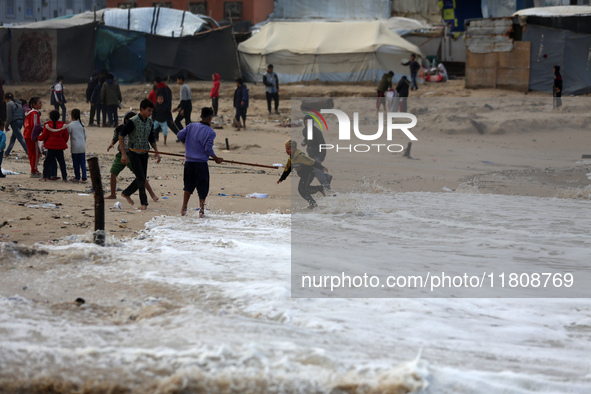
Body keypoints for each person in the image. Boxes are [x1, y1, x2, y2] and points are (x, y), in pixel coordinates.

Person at [177, 107, 223, 217]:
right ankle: (201, 211)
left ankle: (184, 208)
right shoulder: (210, 132)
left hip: (189, 163)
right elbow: (208, 149)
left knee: (188, 186)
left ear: (201, 116)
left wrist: (186, 141)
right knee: (202, 187)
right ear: (210, 118)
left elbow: (179, 135)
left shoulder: (191, 126)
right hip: (201, 164)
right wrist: (216, 158)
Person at [118, 99, 161, 210]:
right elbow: (121, 135)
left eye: (151, 111)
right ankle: (144, 203)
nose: (150, 113)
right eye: (148, 110)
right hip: (134, 153)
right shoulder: (132, 121)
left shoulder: (150, 122)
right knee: (141, 178)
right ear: (142, 109)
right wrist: (123, 154)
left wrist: (156, 151)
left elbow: (151, 138)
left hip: (144, 152)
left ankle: (126, 192)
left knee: (141, 177)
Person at [106, 111, 158, 201]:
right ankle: (113, 194)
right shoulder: (121, 128)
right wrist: (111, 144)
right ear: (126, 120)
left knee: (141, 176)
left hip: (133, 155)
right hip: (121, 154)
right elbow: (116, 138)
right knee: (113, 173)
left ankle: (152, 194)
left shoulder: (136, 129)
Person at [277, 139, 327, 209]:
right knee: (301, 190)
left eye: (288, 149)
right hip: (304, 175)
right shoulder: (291, 157)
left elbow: (312, 161)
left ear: (294, 148)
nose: (286, 151)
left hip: (309, 173)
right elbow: (288, 169)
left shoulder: (300, 156)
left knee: (304, 189)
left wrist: (322, 167)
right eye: (286, 149)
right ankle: (313, 203)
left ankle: (319, 188)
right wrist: (282, 178)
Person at [301, 115, 332, 191]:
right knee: (312, 170)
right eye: (306, 122)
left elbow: (323, 144)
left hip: (317, 154)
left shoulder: (317, 132)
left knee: (317, 170)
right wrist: (304, 142)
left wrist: (322, 157)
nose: (307, 124)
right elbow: (307, 138)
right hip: (310, 154)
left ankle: (326, 185)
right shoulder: (305, 130)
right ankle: (326, 176)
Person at [38, 110, 69, 182]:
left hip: (50, 147)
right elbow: (66, 137)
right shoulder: (63, 125)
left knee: (47, 162)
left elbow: (44, 136)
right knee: (62, 163)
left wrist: (37, 137)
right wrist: (62, 143)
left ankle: (45, 176)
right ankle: (64, 178)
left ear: (50, 117)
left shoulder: (47, 125)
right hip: (60, 147)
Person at [3, 93, 28, 157]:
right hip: (20, 121)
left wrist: (6, 126)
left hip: (15, 123)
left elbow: (9, 117)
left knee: (20, 139)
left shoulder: (9, 104)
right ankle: (6, 153)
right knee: (13, 139)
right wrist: (23, 124)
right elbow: (23, 114)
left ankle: (29, 152)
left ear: (6, 99)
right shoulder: (19, 103)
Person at [23, 97, 43, 178]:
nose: (41, 105)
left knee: (31, 153)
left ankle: (33, 169)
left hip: (27, 134)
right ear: (34, 104)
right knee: (35, 153)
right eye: (39, 103)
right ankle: (34, 170)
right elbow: (35, 126)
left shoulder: (29, 112)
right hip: (32, 135)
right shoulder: (35, 113)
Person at [67, 109, 87, 183]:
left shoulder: (70, 125)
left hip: (75, 146)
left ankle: (77, 176)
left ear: (72, 116)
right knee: (83, 163)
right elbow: (85, 136)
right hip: (82, 146)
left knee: (76, 163)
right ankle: (84, 177)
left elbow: (66, 134)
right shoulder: (82, 124)